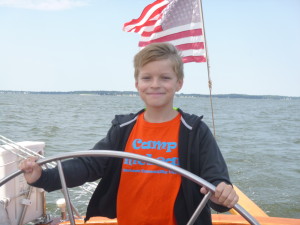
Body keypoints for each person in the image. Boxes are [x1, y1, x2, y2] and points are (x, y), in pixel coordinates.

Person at [19, 42, 238, 225]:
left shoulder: (194, 131)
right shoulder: (123, 128)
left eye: (165, 77)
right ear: (137, 84)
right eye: (147, 78)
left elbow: (215, 180)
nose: (155, 85)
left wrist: (223, 194)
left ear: (179, 83)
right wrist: (43, 176)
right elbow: (89, 165)